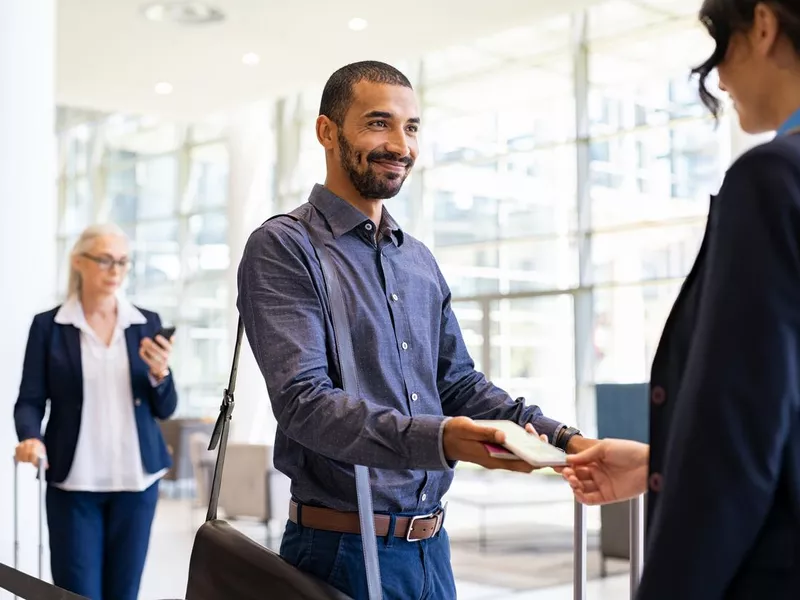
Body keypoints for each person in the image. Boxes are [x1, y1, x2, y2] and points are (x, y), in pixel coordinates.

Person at [237, 60, 593, 600]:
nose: (400, 145)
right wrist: (443, 439)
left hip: (431, 548)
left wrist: (566, 439)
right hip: (339, 554)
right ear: (326, 132)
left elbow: (459, 385)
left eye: (411, 127)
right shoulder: (285, 247)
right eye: (378, 123)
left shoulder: (418, 260)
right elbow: (304, 404)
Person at [561, 1, 800, 598]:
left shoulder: (773, 181)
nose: (719, 77)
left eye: (722, 46)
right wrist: (657, 462)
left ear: (764, 25)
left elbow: (737, 438)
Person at [13, 223, 178, 600]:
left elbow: (166, 408)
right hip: (74, 485)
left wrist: (160, 374)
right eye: (104, 260)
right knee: (76, 593)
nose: (115, 270)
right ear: (78, 262)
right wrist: (31, 438)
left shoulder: (145, 323)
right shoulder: (49, 327)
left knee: (125, 593)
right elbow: (30, 400)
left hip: (136, 486)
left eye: (122, 261)